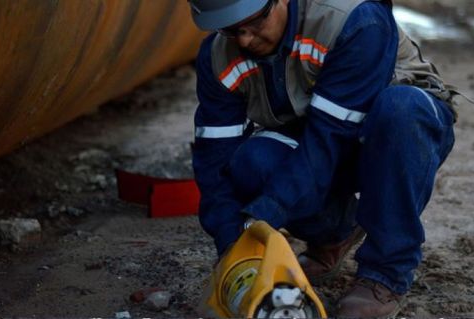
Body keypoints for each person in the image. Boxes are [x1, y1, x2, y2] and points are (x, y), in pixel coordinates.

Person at [188, 0, 458, 317]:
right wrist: (231, 241)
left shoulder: (354, 19)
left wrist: (265, 213)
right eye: (231, 29)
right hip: (318, 138)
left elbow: (327, 139)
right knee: (253, 161)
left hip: (393, 137)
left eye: (255, 23)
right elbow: (215, 159)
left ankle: (385, 274)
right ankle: (335, 234)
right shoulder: (218, 56)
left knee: (401, 108)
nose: (245, 40)